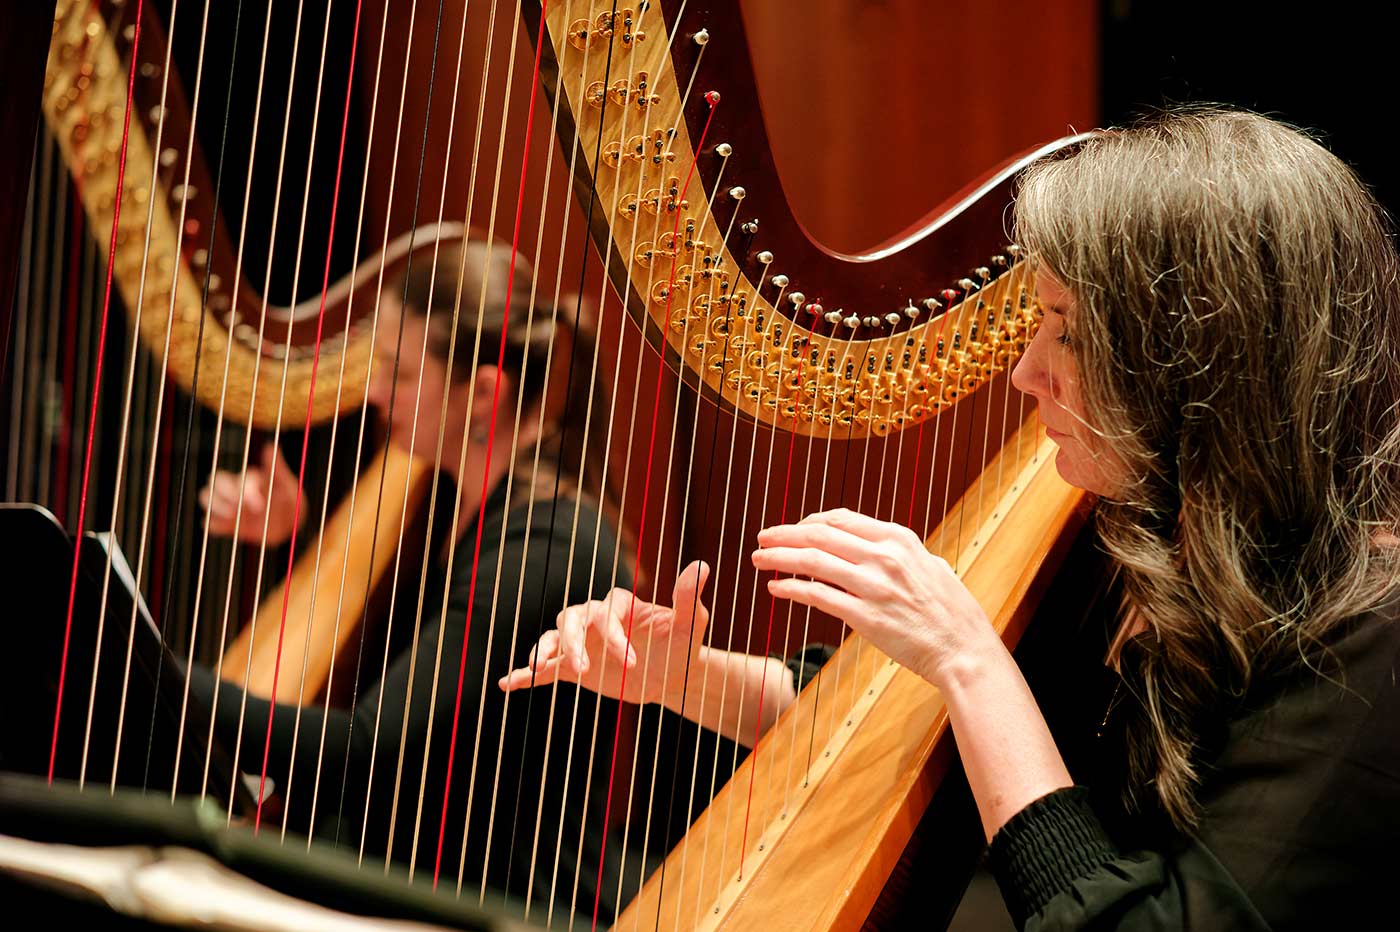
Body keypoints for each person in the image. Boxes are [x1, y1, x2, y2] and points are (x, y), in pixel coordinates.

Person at [501, 108, 1400, 929]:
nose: (1025, 374)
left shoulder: (1365, 649)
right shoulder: (1128, 536)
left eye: (1068, 331)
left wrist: (971, 658)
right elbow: (909, 723)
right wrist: (683, 679)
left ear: (1202, 364)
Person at [193, 240, 631, 918]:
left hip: (507, 907)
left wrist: (143, 665)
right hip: (431, 881)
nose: (372, 392)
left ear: (484, 392)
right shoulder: (462, 508)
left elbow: (366, 752)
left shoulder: (550, 544)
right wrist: (295, 543)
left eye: (397, 373)